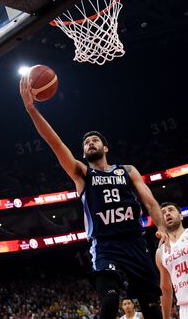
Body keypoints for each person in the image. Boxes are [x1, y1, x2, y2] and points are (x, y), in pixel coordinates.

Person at [19, 76, 167, 319]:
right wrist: (31, 109)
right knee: (109, 304)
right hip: (106, 245)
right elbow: (55, 144)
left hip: (135, 243)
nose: (89, 143)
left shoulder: (127, 171)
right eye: (86, 142)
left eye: (94, 140)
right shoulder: (82, 174)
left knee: (152, 309)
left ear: (105, 148)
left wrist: (161, 228)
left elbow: (150, 202)